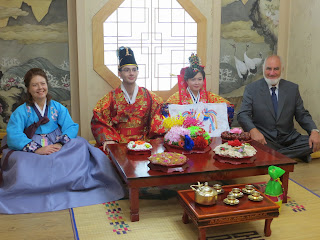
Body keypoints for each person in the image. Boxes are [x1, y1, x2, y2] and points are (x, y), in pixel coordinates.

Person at [0, 68, 125, 214]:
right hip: (31, 145)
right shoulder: (21, 111)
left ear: (47, 85)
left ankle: (75, 186)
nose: (40, 88)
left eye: (43, 83)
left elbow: (70, 127)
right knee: (20, 161)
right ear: (28, 88)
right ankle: (33, 193)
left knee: (81, 145)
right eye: (35, 85)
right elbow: (14, 134)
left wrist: (59, 143)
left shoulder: (57, 107)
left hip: (56, 142)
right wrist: (36, 148)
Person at [237, 55, 320, 163]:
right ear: (263, 69)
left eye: (276, 69)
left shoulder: (292, 88)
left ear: (282, 70)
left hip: (290, 138)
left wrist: (314, 131)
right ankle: (294, 154)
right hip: (265, 139)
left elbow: (302, 114)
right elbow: (243, 114)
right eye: (268, 69)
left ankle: (273, 156)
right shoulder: (252, 89)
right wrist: (253, 131)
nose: (272, 73)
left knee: (315, 141)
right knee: (254, 144)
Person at [91, 46, 165, 152]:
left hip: (144, 143)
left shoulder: (149, 96)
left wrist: (156, 137)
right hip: (118, 144)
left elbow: (159, 114)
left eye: (134, 70)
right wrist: (109, 139)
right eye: (127, 70)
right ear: (119, 73)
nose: (131, 73)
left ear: (137, 72)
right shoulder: (111, 98)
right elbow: (99, 118)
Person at [165, 53, 234, 126]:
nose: (196, 83)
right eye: (193, 79)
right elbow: (166, 110)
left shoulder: (209, 96)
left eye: (199, 79)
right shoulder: (177, 97)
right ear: (187, 81)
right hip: (185, 133)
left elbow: (227, 106)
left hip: (206, 132)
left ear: (203, 80)